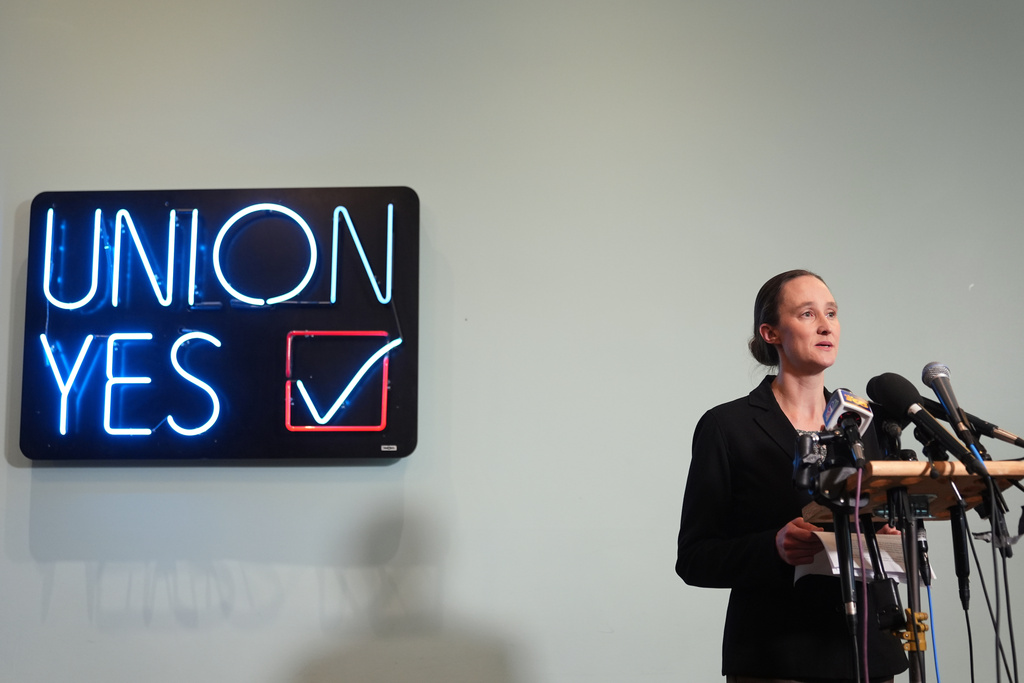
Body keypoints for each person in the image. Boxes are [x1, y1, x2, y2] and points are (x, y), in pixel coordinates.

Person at [675, 269, 908, 682]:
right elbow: (694, 559)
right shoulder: (727, 427)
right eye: (806, 313)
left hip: (868, 654)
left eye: (831, 313)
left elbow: (880, 525)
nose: (825, 325)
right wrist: (774, 547)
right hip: (776, 655)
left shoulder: (864, 424)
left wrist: (886, 532)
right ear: (771, 333)